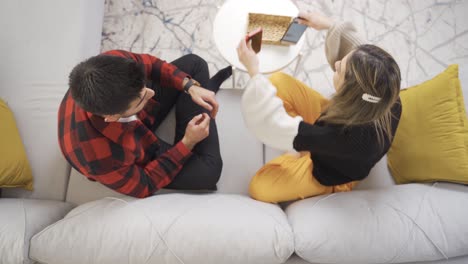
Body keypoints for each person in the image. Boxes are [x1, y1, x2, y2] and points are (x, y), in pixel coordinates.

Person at [236, 11, 402, 203]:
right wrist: (327, 24)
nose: (337, 63)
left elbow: (274, 125)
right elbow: (364, 56)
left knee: (259, 187)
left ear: (349, 92)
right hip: (336, 129)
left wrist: (254, 72)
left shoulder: (343, 139)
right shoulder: (385, 92)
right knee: (278, 81)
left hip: (329, 171)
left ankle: (327, 183)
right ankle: (305, 150)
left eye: (339, 69)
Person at [58, 50, 232, 198]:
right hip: (130, 147)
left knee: (195, 64)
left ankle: (202, 92)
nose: (151, 93)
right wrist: (188, 142)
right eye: (142, 98)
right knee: (209, 172)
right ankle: (190, 137)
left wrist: (190, 87)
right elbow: (145, 184)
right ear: (112, 117)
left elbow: (150, 64)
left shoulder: (111, 63)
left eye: (143, 86)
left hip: (131, 117)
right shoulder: (99, 159)